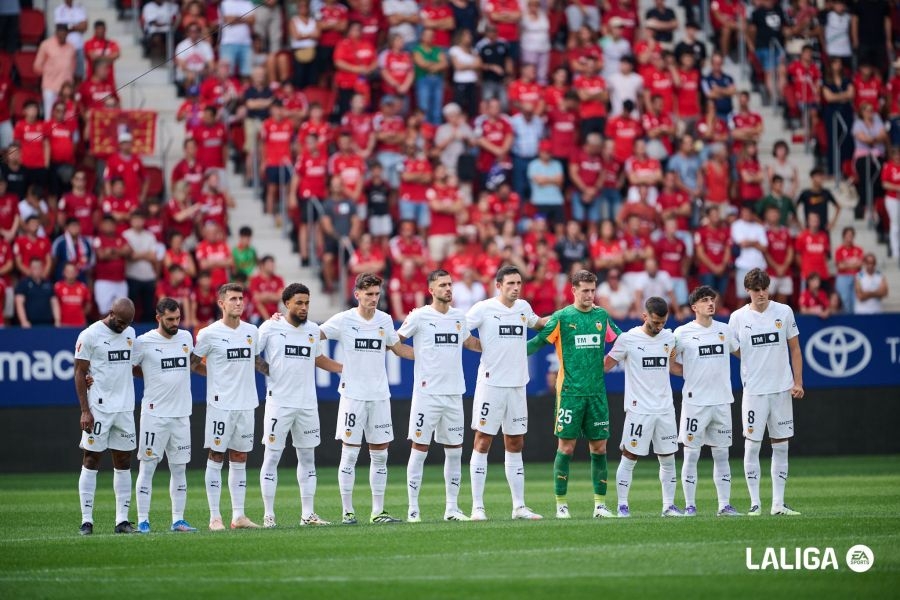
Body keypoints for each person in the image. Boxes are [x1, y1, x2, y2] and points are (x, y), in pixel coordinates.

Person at [526, 269, 621, 519]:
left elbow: (623, 342)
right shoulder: (562, 317)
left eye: (593, 290)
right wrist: (504, 353)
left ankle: (600, 505)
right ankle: (561, 505)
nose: (590, 295)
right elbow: (536, 343)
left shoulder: (602, 316)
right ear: (574, 290)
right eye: (585, 290)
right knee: (566, 448)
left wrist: (608, 363)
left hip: (596, 394)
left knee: (599, 448)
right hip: (569, 393)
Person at [320, 273, 413, 525]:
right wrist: (284, 323)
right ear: (357, 294)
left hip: (380, 396)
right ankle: (347, 511)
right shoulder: (344, 320)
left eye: (376, 294)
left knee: (380, 455)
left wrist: (430, 356)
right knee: (349, 454)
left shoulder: (384, 319)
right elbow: (312, 335)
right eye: (369, 294)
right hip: (352, 396)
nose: (373, 298)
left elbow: (397, 347)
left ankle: (378, 511)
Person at [395, 270, 482, 522]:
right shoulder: (419, 316)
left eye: (450, 284)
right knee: (419, 449)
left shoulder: (458, 317)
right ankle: (413, 509)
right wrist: (414, 355)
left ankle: (452, 508)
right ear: (431, 290)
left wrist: (500, 348)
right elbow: (395, 340)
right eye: (442, 285)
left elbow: (470, 343)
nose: (448, 289)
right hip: (427, 394)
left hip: (454, 393)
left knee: (454, 451)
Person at [465, 265, 548, 521]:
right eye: (510, 283)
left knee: (515, 442)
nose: (515, 288)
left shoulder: (523, 307)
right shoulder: (483, 308)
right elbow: (460, 331)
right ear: (498, 285)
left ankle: (519, 506)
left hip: (517, 385)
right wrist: (480, 346)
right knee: (483, 440)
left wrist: (565, 316)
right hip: (491, 385)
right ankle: (477, 507)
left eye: (518, 283)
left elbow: (538, 324)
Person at [258, 283, 343, 528]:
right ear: (287, 304)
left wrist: (343, 369)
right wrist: (268, 371)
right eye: (299, 303)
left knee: (307, 458)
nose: (304, 307)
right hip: (279, 404)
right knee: (272, 457)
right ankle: (268, 515)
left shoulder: (313, 330)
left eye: (307, 302)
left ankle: (308, 514)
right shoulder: (270, 327)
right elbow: (252, 353)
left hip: (307, 404)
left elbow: (317, 358)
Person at [728, 268, 804, 516]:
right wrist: (750, 359)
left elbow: (795, 348)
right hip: (754, 391)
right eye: (756, 289)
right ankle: (755, 503)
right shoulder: (738, 318)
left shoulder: (784, 311)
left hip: (781, 389)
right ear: (747, 291)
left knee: (781, 446)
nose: (761, 294)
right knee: (752, 446)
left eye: (764, 289)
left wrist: (798, 382)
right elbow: (733, 348)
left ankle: (778, 504)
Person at [191, 283, 265, 531]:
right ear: (221, 303)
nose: (238, 303)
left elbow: (256, 361)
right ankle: (215, 517)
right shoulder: (208, 333)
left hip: (246, 404)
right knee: (216, 456)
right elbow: (192, 364)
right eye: (233, 299)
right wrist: (213, 376)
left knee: (240, 457)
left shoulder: (252, 331)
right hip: (220, 405)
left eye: (241, 298)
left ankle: (239, 515)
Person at [604, 296, 683, 518]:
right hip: (639, 410)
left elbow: (673, 367)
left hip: (665, 408)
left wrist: (697, 374)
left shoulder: (669, 338)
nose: (659, 327)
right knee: (629, 457)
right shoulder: (628, 339)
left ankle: (668, 506)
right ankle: (622, 505)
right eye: (655, 322)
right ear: (644, 316)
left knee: (668, 459)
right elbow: (606, 365)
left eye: (663, 322)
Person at [670, 286, 741, 517]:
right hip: (695, 403)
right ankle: (690, 505)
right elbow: (670, 363)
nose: (710, 303)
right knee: (691, 454)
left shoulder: (725, 330)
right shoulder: (682, 333)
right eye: (704, 300)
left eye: (712, 299)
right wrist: (689, 372)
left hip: (721, 401)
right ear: (694, 307)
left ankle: (724, 505)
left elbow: (741, 353)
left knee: (721, 454)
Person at [132, 298, 201, 533]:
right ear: (158, 318)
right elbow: (130, 367)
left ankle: (178, 520)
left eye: (177, 319)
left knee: (179, 469)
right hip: (155, 415)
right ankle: (143, 520)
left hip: (182, 415)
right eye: (170, 319)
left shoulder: (185, 338)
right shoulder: (143, 342)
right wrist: (150, 375)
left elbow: (192, 365)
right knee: (147, 467)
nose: (175, 323)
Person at [73, 298, 137, 535]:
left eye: (127, 323)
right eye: (119, 322)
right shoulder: (89, 335)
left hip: (125, 410)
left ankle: (122, 520)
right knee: (91, 460)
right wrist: (85, 410)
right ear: (111, 313)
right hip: (99, 409)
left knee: (123, 463)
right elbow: (80, 372)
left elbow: (134, 366)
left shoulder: (130, 333)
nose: (122, 327)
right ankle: (86, 520)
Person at [14, 258, 59, 328]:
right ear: (30, 269)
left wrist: (57, 320)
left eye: (39, 267)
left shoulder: (48, 284)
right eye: (34, 267)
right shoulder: (23, 284)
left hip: (48, 324)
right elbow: (19, 303)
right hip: (30, 324)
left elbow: (54, 303)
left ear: (42, 268)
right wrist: (23, 321)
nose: (37, 270)